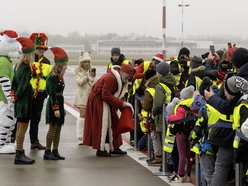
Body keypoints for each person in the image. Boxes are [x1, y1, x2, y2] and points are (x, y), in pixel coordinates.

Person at [83, 64, 135, 157]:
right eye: (128, 75)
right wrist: (122, 104)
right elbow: (105, 94)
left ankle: (114, 147)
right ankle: (100, 148)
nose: (129, 77)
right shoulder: (110, 78)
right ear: (123, 72)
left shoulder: (121, 79)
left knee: (114, 123)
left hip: (106, 101)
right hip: (99, 101)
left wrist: (124, 104)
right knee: (101, 125)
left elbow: (118, 94)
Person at [11, 37, 36, 164]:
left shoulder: (17, 66)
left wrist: (13, 95)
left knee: (20, 126)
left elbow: (14, 83)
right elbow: (22, 85)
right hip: (24, 101)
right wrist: (18, 96)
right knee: (23, 127)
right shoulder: (26, 68)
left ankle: (19, 152)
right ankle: (19, 154)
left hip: (19, 101)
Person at [43, 47, 68, 160]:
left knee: (58, 129)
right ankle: (47, 152)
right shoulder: (53, 77)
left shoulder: (59, 76)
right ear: (60, 64)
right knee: (52, 128)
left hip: (59, 103)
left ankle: (55, 150)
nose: (66, 66)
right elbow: (52, 94)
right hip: (54, 104)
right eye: (65, 64)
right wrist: (56, 108)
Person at [29, 33, 52, 150]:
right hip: (28, 93)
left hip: (41, 94)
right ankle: (14, 140)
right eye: (39, 48)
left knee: (36, 118)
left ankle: (34, 141)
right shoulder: (29, 59)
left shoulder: (47, 62)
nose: (42, 51)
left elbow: (48, 78)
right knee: (22, 117)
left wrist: (46, 93)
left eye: (43, 49)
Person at [0, 30, 20, 154]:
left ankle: (5, 143)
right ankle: (1, 144)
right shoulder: (3, 61)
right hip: (4, 99)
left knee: (9, 124)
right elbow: (4, 81)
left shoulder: (6, 60)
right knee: (5, 122)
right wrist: (11, 99)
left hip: (5, 99)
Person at [74, 52, 95, 145]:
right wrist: (88, 77)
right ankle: (80, 137)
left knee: (88, 117)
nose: (87, 64)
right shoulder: (78, 72)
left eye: (88, 62)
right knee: (82, 116)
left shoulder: (91, 71)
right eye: (85, 62)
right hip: (82, 96)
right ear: (81, 63)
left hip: (90, 96)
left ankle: (87, 136)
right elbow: (80, 82)